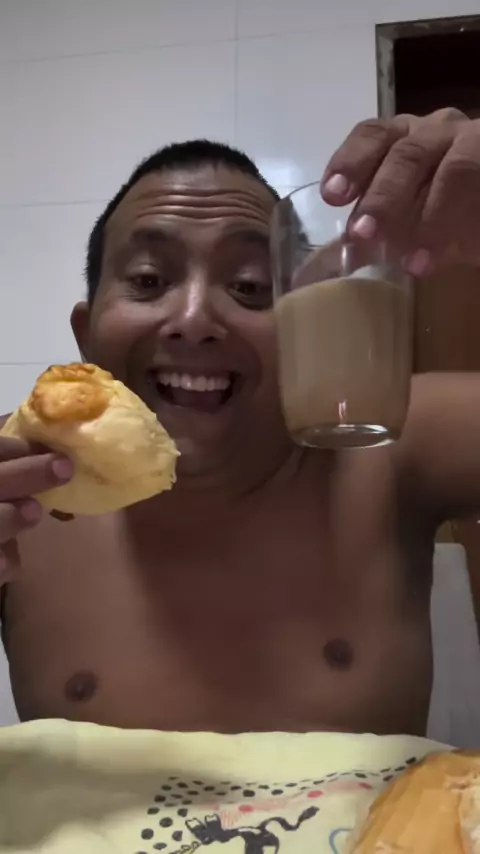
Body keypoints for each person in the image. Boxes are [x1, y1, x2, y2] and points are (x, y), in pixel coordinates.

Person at [1, 107, 480, 737]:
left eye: (251, 287)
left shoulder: (391, 441)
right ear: (87, 336)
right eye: (149, 279)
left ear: (305, 322)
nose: (194, 319)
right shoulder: (18, 478)